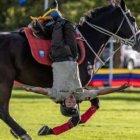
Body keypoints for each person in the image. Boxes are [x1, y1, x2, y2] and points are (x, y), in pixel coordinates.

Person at [23, 83, 130, 135]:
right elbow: (100, 93)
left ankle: (51, 132)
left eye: (70, 102)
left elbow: (43, 91)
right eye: (72, 102)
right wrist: (118, 89)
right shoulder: (81, 97)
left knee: (80, 118)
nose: (71, 100)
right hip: (86, 95)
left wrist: (31, 89)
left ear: (63, 102)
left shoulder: (58, 96)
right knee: (94, 105)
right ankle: (51, 132)